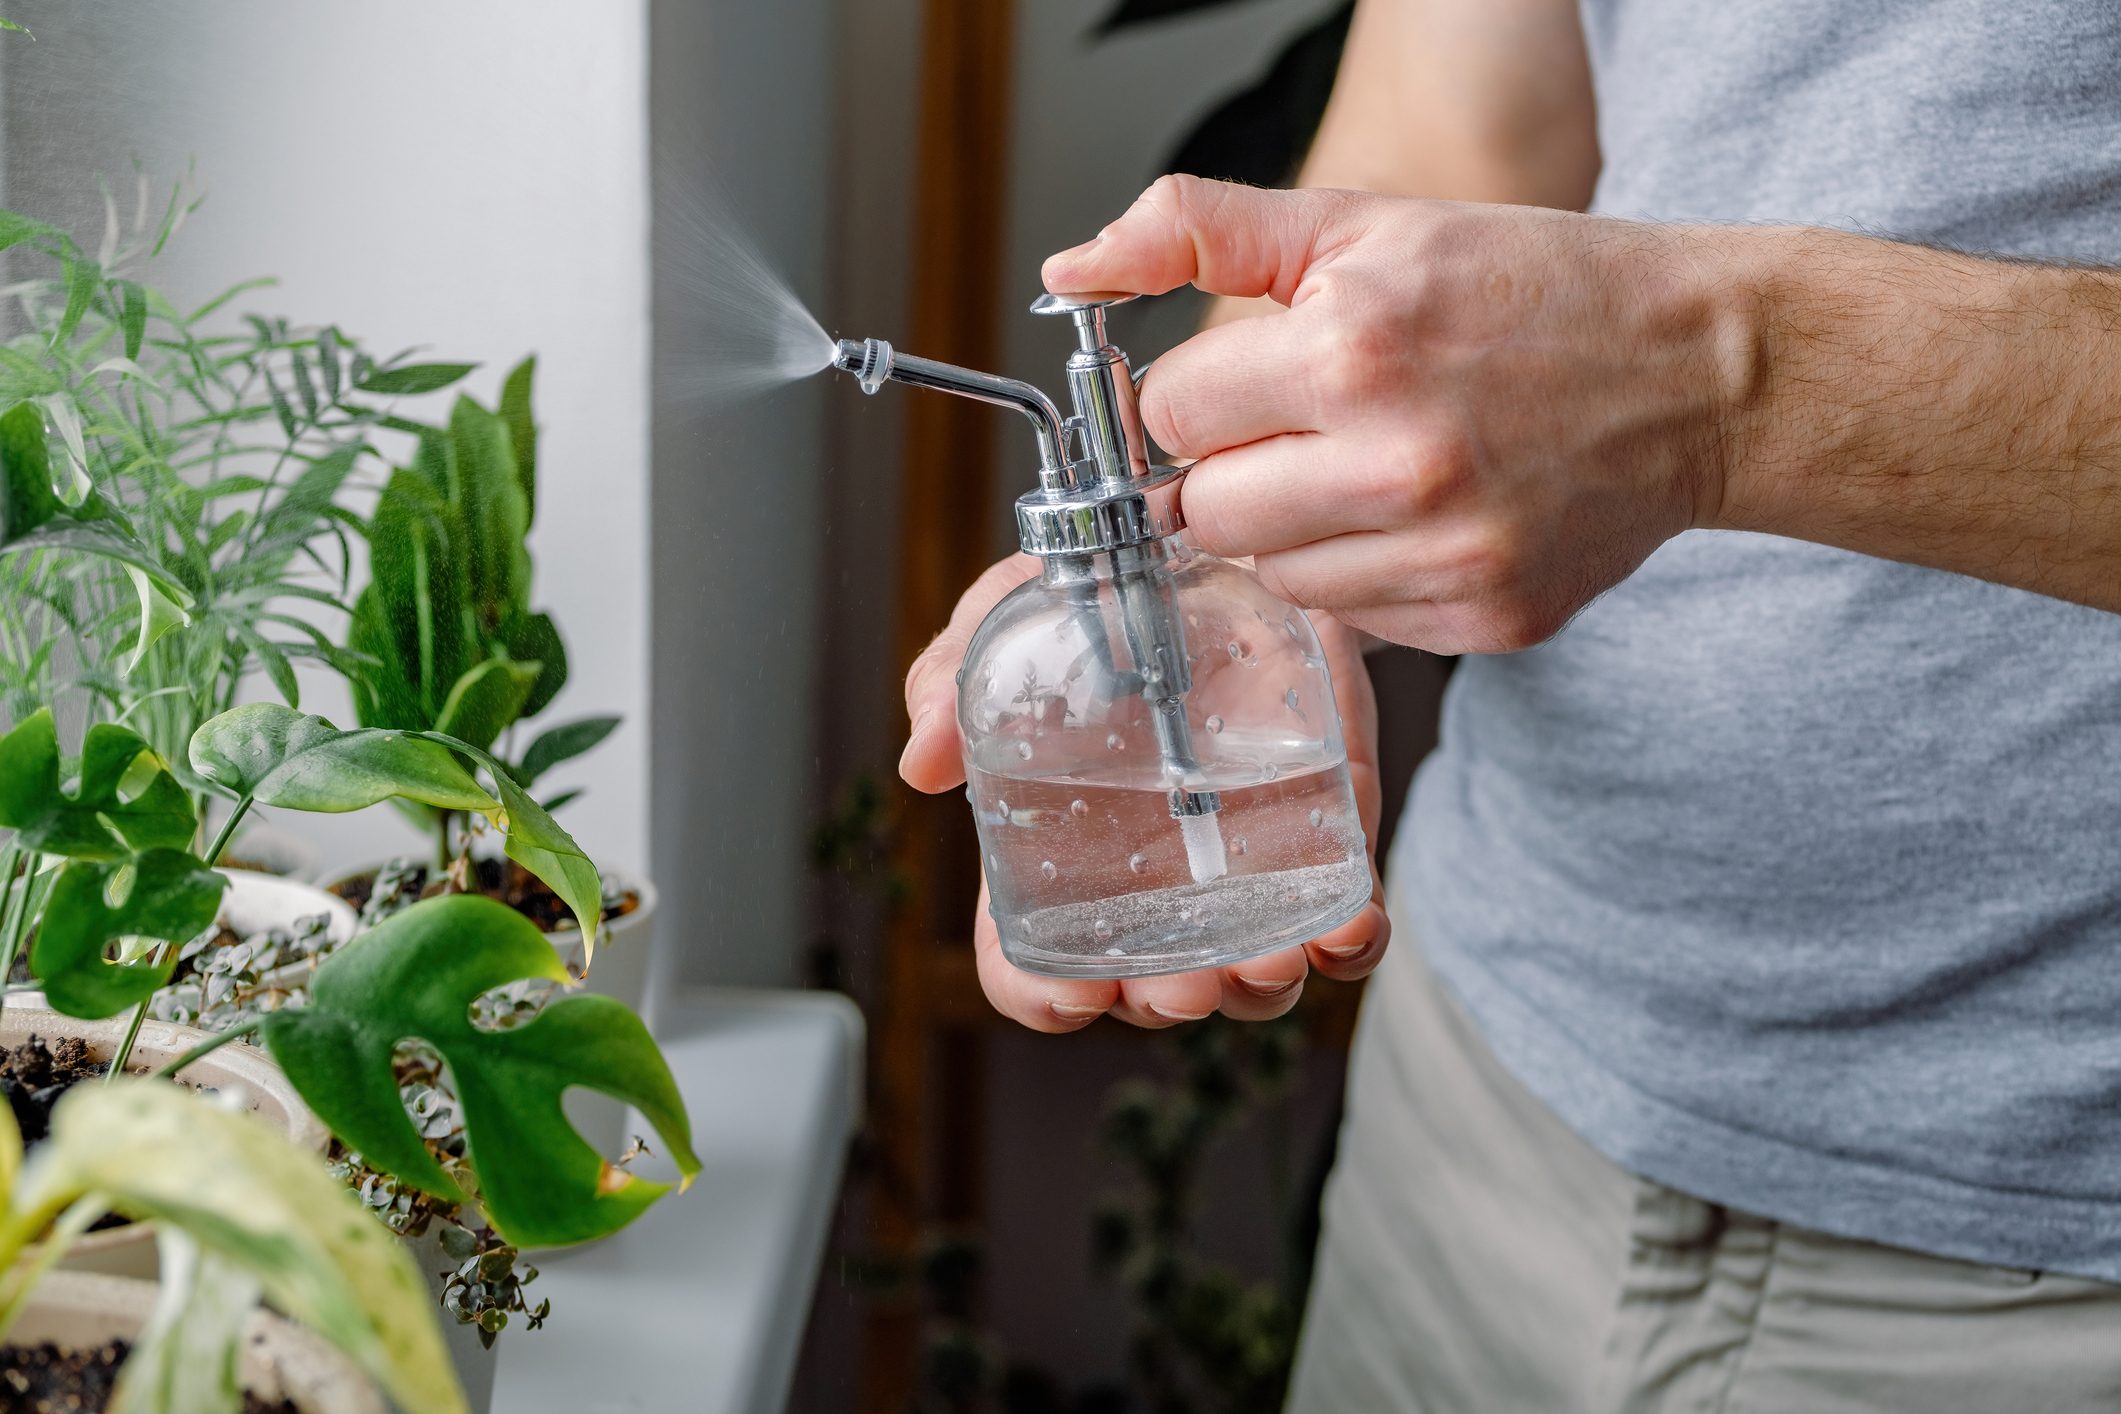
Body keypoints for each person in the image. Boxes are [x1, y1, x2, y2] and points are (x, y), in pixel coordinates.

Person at [898, 0, 2121, 1407]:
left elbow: (1701, 369)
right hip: (1480, 1087)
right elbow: (1457, 118)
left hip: (2051, 1258)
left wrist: (1727, 383)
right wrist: (1253, 527)